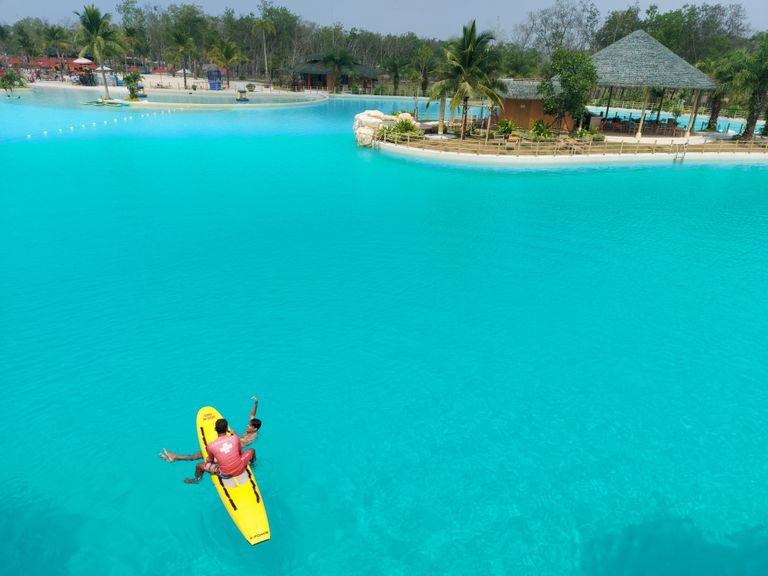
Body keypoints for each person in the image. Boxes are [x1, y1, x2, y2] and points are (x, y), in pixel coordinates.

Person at [159, 396, 261, 463]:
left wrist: (234, 434)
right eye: (248, 424)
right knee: (203, 453)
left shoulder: (252, 436)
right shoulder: (252, 427)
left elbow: (239, 444)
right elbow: (252, 415)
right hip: (231, 443)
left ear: (254, 429)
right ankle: (175, 457)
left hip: (233, 449)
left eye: (249, 425)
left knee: (201, 454)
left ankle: (175, 457)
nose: (247, 425)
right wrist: (256, 403)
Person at [184, 418, 255, 484]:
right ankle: (253, 464)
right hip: (241, 469)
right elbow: (240, 453)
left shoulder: (211, 445)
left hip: (225, 474)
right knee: (252, 450)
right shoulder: (235, 438)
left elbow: (210, 460)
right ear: (227, 428)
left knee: (199, 465)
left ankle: (196, 480)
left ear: (215, 429)